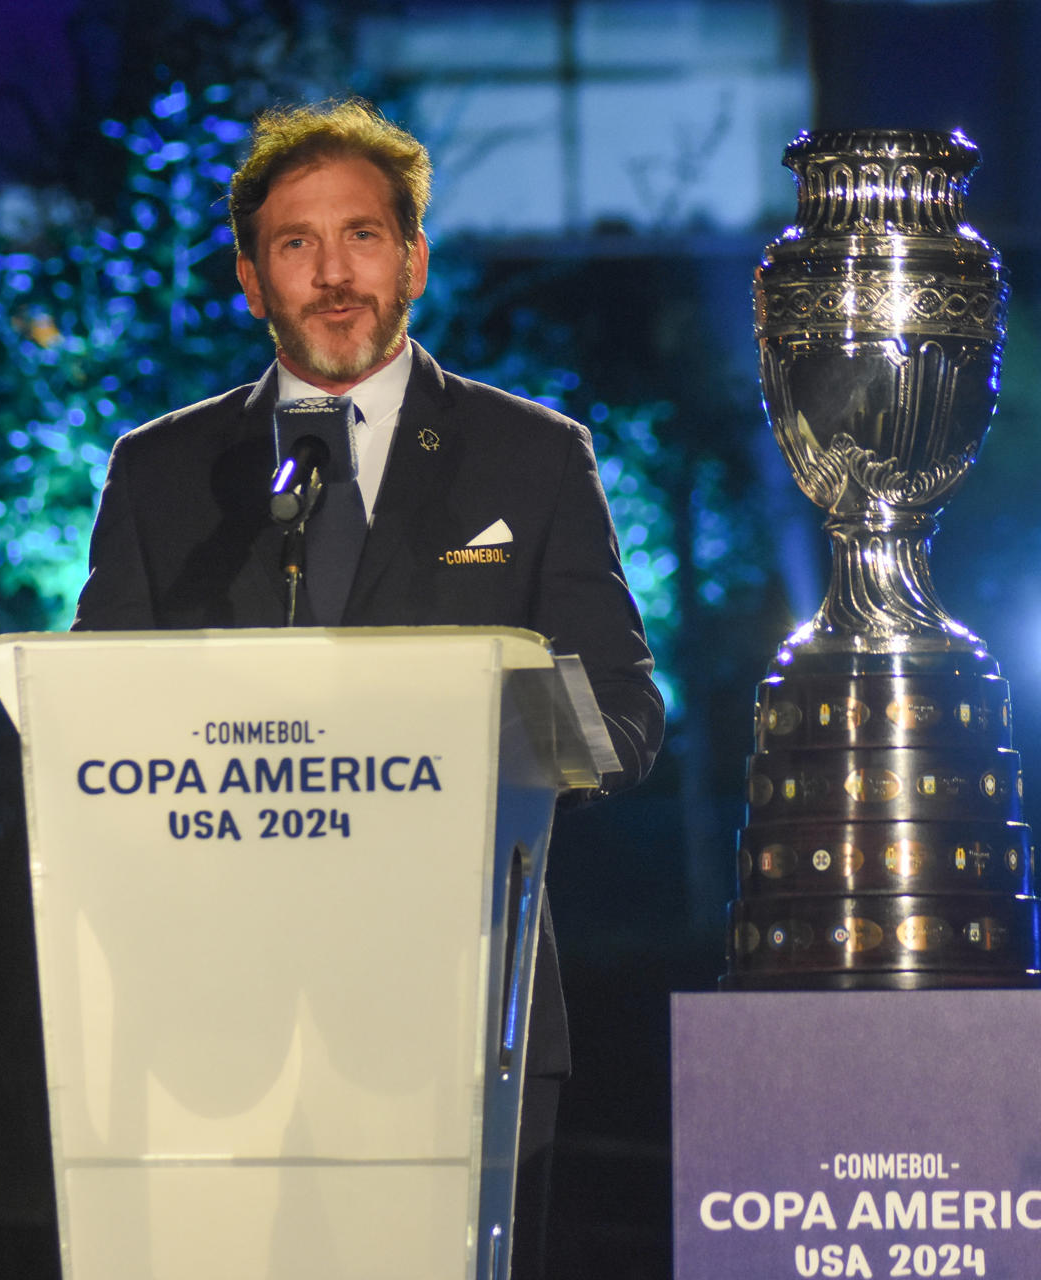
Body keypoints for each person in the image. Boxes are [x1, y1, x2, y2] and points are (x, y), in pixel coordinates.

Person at [71, 98, 664, 1276]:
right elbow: (95, 722)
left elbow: (629, 716)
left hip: (451, 1016)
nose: (333, 273)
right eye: (296, 243)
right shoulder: (162, 471)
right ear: (250, 278)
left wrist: (490, 746)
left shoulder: (533, 457)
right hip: (208, 1033)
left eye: (363, 237)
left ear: (414, 261)